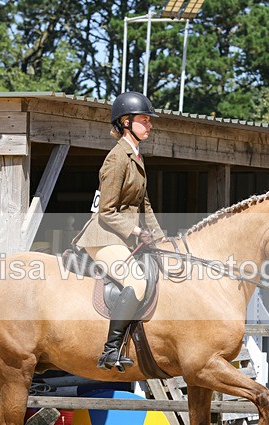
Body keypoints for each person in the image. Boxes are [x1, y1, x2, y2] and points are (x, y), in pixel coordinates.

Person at [73, 91, 166, 371]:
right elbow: (107, 210)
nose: (150, 125)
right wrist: (138, 231)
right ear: (125, 122)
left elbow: (144, 203)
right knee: (136, 281)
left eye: (150, 120)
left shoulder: (135, 155)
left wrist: (161, 239)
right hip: (103, 236)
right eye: (144, 120)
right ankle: (110, 350)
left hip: (123, 235)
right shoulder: (117, 159)